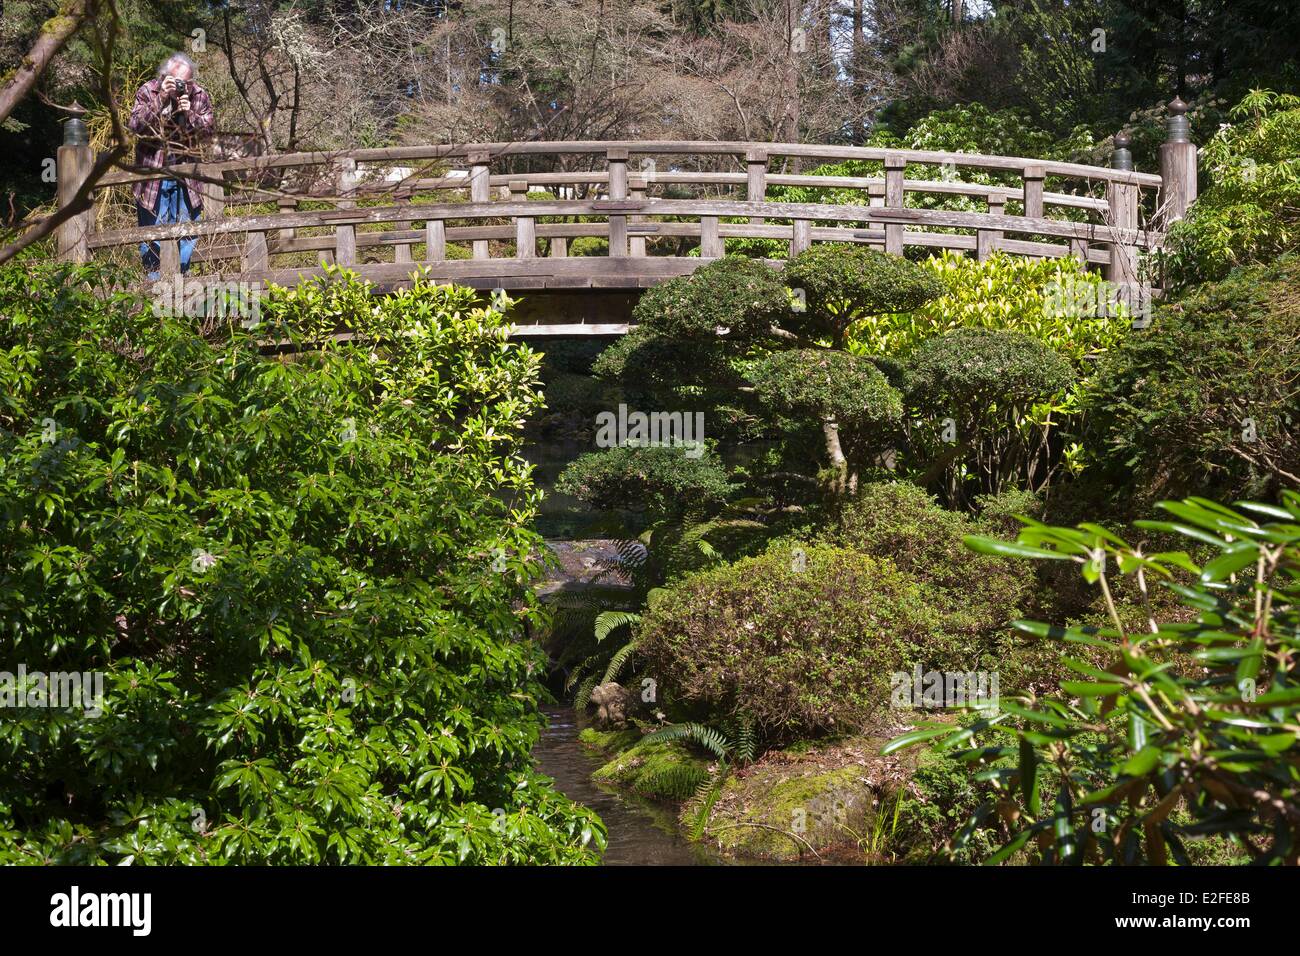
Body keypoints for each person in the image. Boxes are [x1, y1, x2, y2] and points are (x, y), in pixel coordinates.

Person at [127, 53, 215, 279]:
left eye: (186, 82)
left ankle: (180, 279)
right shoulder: (149, 91)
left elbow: (208, 134)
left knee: (188, 230)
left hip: (187, 176)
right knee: (152, 231)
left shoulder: (198, 95)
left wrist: (190, 114)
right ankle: (154, 286)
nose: (181, 87)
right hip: (152, 176)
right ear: (165, 76)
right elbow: (135, 126)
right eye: (176, 81)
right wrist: (162, 98)